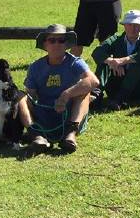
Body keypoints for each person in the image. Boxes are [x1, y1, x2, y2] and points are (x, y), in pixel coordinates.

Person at [25, 24, 100, 154]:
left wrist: (66, 95)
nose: (57, 44)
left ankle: (70, 134)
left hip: (69, 114)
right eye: (52, 40)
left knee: (85, 91)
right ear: (45, 44)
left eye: (61, 40)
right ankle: (36, 135)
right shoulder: (35, 67)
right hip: (44, 114)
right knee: (21, 97)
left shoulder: (75, 62)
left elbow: (94, 81)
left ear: (66, 45)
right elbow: (31, 94)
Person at [92, 9, 140, 110]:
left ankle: (120, 99)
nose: (133, 28)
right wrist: (112, 62)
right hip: (116, 84)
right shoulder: (116, 39)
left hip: (139, 88)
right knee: (104, 62)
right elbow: (97, 52)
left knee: (139, 63)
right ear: (124, 25)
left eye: (136, 25)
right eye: (130, 24)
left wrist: (123, 60)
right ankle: (95, 96)